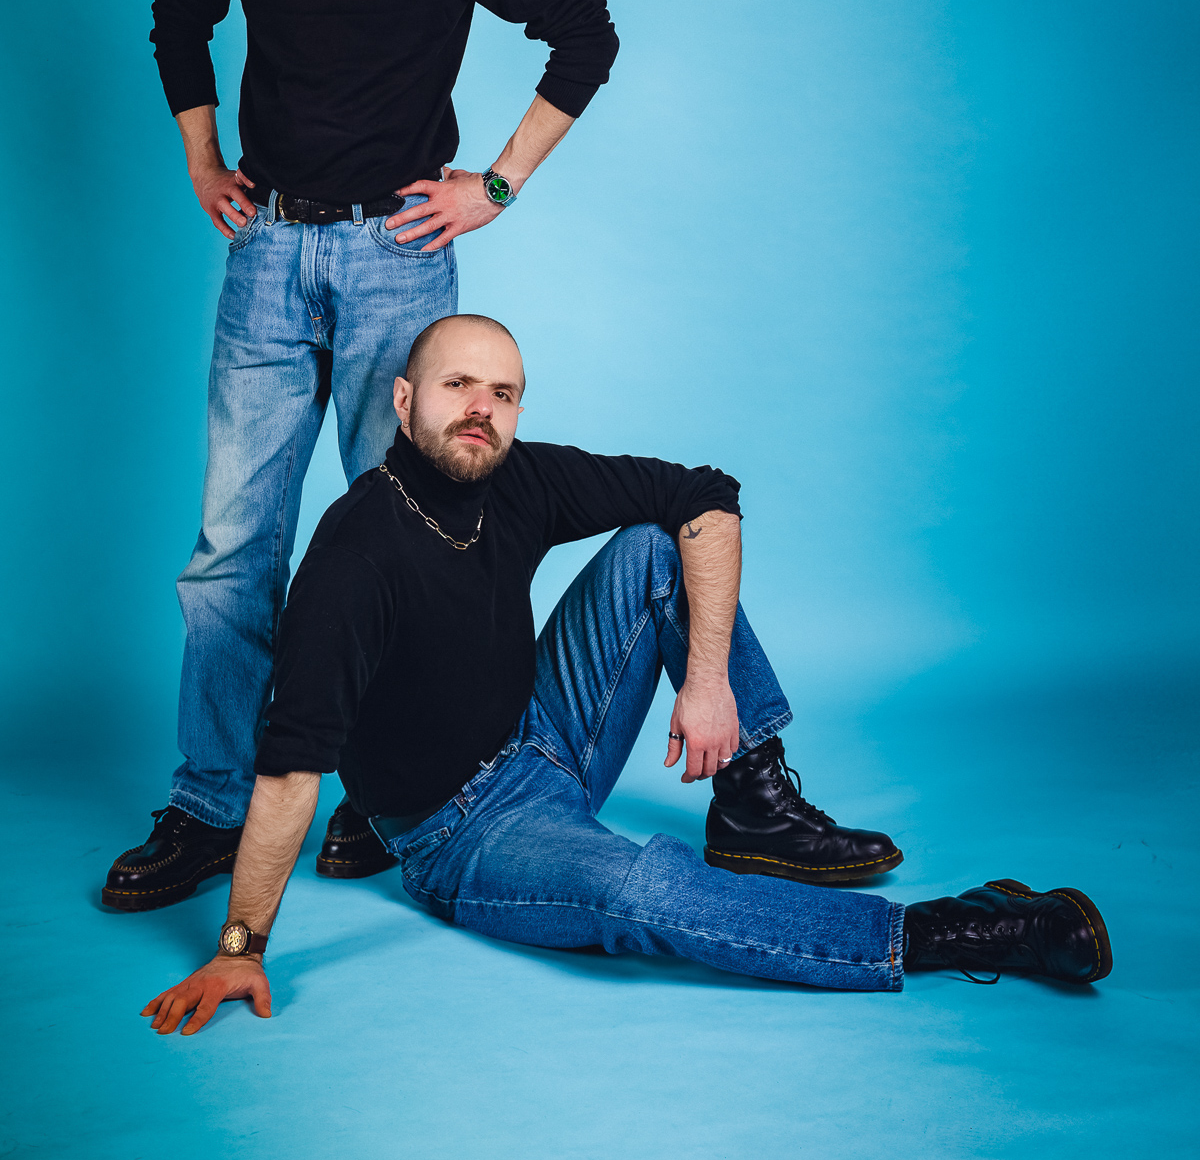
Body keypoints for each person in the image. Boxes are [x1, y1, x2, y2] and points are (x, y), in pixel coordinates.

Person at [139, 316, 1112, 1034]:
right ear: (403, 400)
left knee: (656, 544)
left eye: (502, 393)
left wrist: (707, 681)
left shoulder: (515, 475)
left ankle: (753, 806)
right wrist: (238, 949)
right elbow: (290, 769)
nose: (480, 409)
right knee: (644, 890)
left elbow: (705, 496)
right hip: (463, 834)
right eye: (457, 385)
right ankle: (949, 932)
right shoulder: (357, 556)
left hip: (543, 732)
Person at [105, 0, 618, 909]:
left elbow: (583, 30)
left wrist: (497, 183)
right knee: (232, 551)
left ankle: (394, 790)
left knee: (410, 534)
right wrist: (203, 160)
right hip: (270, 248)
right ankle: (210, 805)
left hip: (399, 252)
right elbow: (178, 18)